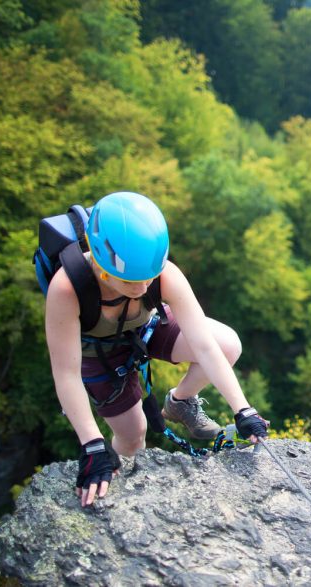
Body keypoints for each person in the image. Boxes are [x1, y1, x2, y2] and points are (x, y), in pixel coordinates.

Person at [44, 191, 268, 507]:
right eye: (130, 281)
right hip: (98, 354)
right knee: (135, 434)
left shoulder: (162, 275)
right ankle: (114, 482)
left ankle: (179, 402)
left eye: (148, 279)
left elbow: (204, 345)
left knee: (227, 344)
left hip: (145, 328)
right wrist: (92, 445)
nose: (143, 288)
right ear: (102, 263)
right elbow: (66, 374)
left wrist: (243, 409)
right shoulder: (67, 289)